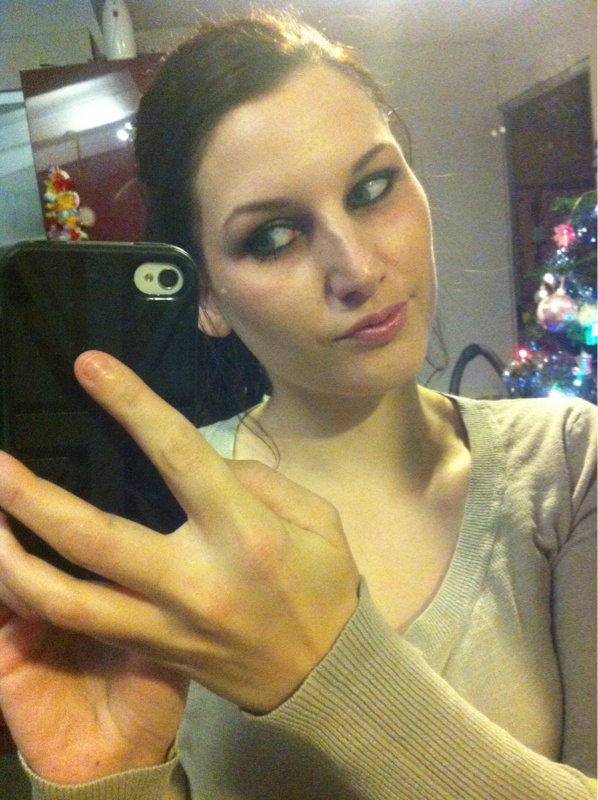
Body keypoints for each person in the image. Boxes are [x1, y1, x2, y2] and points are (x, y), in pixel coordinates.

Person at [0, 9, 595, 799]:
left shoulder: (569, 460)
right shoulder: (151, 515)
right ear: (205, 297)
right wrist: (105, 781)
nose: (358, 270)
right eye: (274, 236)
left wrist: (330, 671)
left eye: (373, 188)